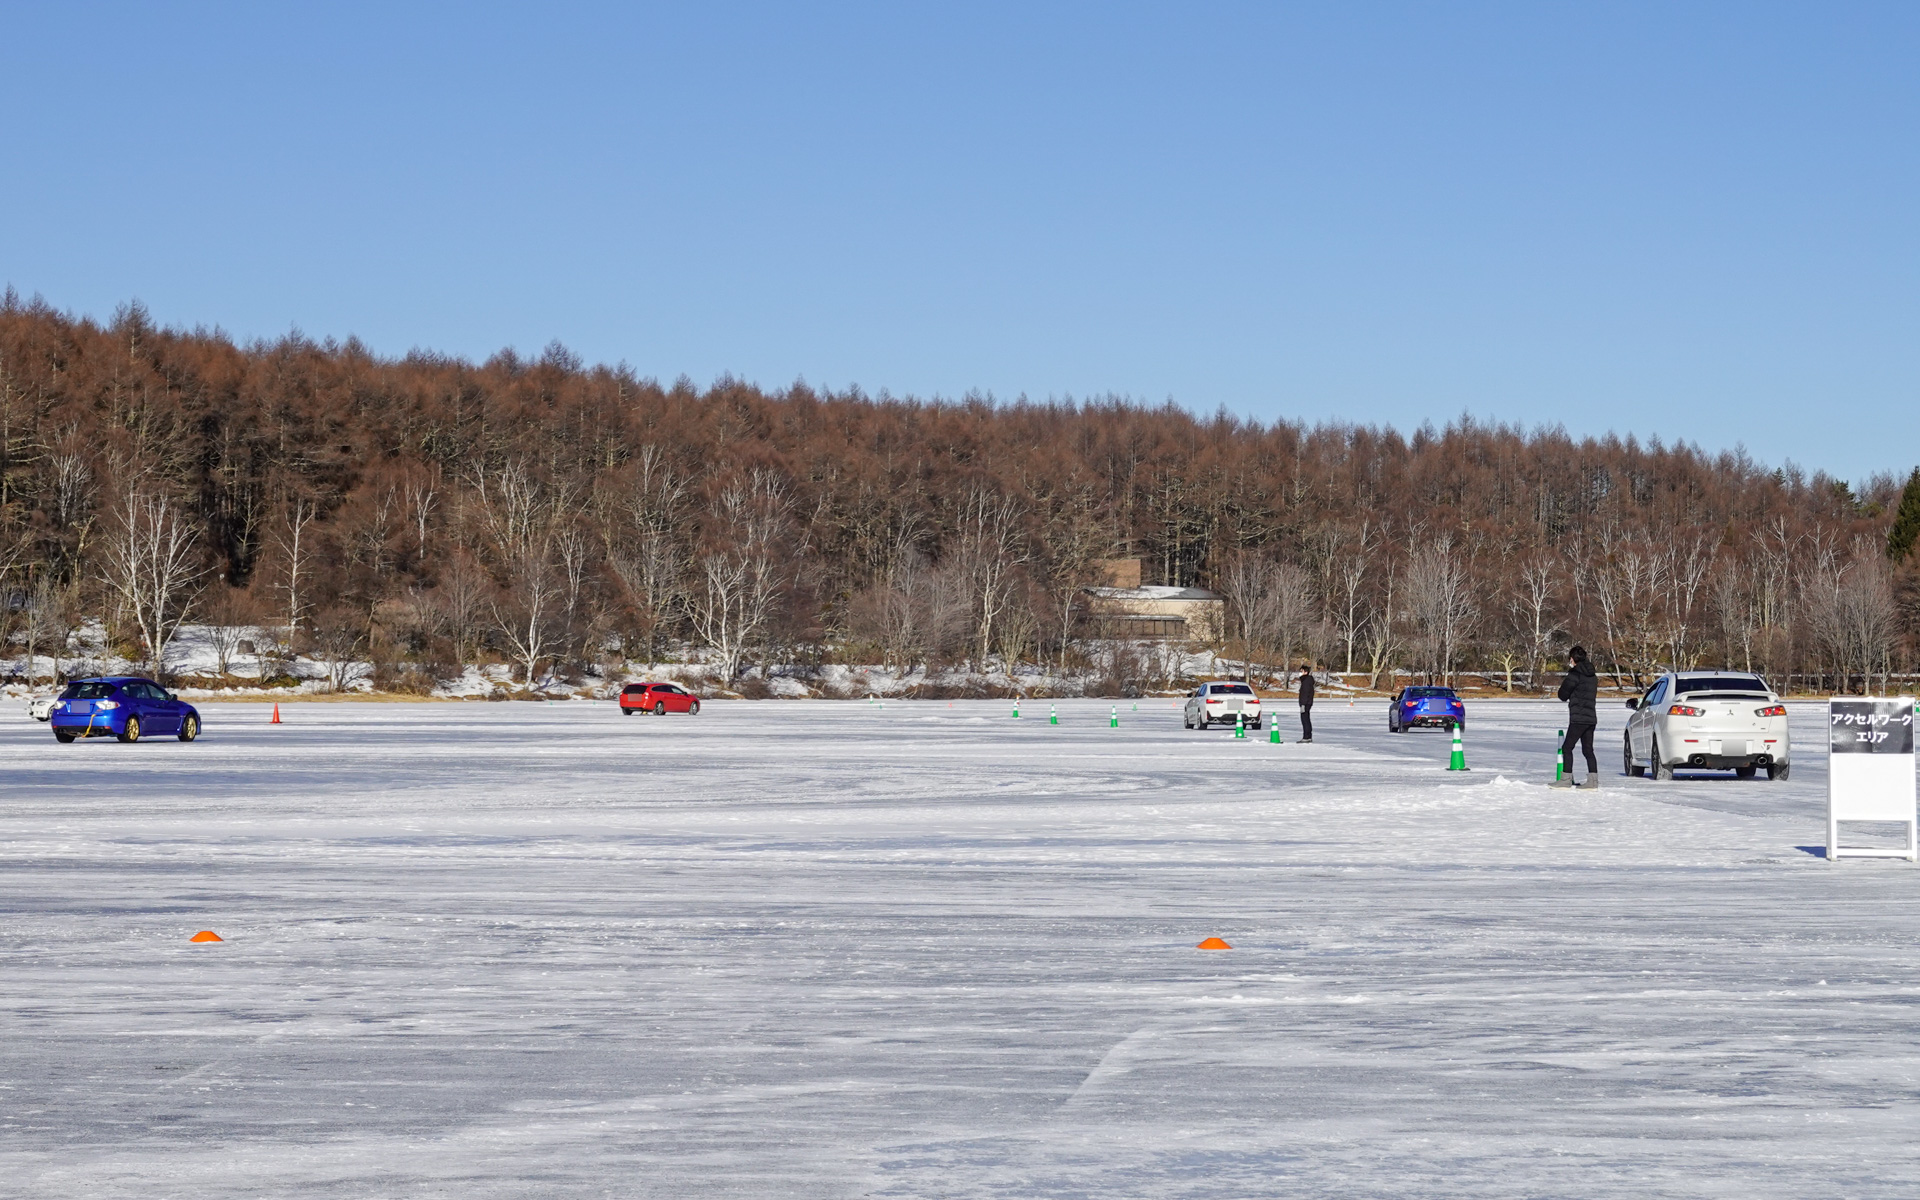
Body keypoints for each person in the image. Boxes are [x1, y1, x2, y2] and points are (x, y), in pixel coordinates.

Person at [1552, 645, 1599, 789]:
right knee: (1588, 750)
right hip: (1591, 717)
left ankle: (1566, 779)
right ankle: (1593, 781)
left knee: (1567, 747)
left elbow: (1562, 695)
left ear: (1573, 659)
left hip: (1578, 718)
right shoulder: (1593, 676)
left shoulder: (1574, 675)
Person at [1296, 662, 1315, 742]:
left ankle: (1306, 737)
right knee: (1306, 719)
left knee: (1305, 719)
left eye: (1301, 671)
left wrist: (1303, 704)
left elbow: (1305, 693)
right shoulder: (1306, 680)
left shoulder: (1306, 681)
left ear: (1305, 672)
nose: (1300, 673)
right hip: (1307, 703)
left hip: (1306, 703)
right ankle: (1307, 736)